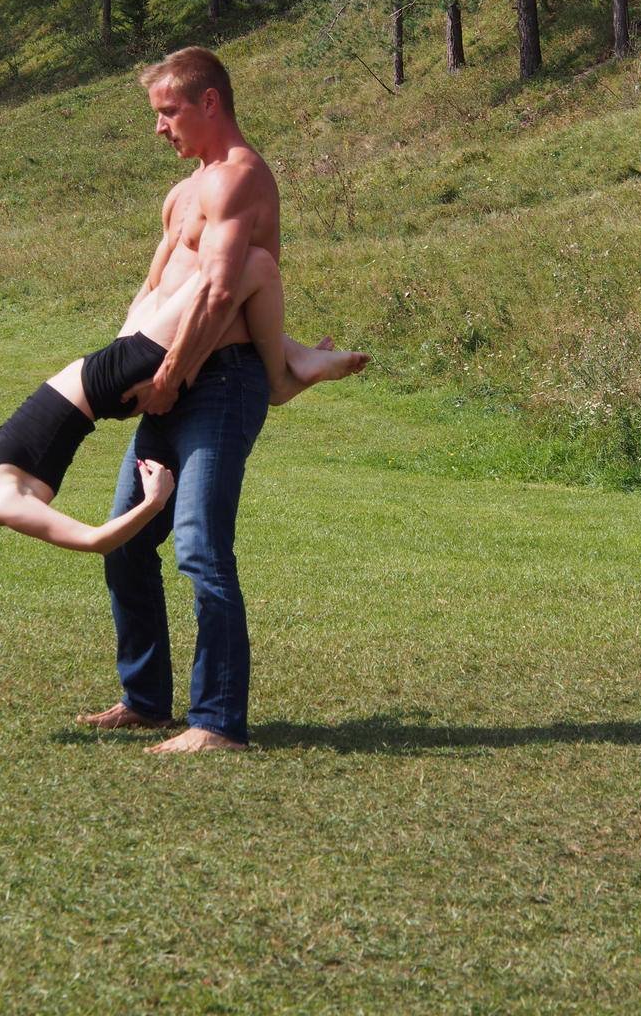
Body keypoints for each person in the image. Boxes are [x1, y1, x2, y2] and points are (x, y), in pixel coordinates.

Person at [78, 46, 367, 754]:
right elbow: (154, 292)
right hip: (166, 383)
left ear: (210, 102)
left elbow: (217, 291)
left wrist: (171, 376)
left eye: (169, 112)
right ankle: (146, 700)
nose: (159, 128)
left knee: (201, 547)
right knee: (125, 543)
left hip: (220, 385)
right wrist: (121, 370)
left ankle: (216, 722)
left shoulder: (242, 178)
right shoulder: (182, 195)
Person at [0, 235, 363, 615]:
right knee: (247, 266)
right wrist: (153, 502)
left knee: (172, 269)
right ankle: (285, 373)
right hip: (114, 380)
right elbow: (95, 540)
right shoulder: (4, 502)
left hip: (107, 367)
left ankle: (293, 362)